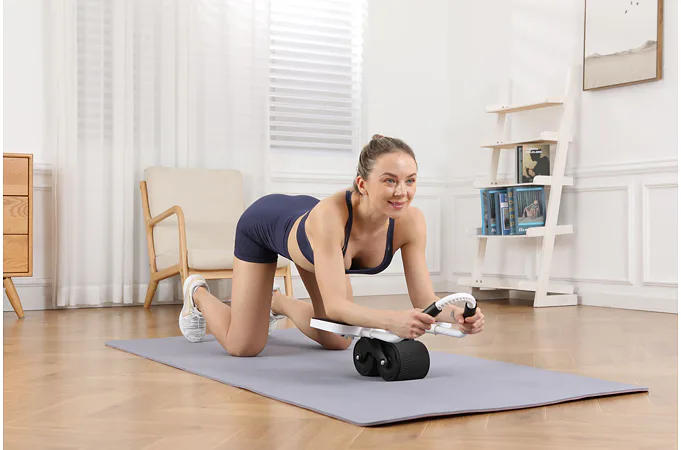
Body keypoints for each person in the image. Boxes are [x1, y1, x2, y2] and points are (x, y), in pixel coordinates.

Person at [179, 134, 485, 356]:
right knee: (244, 346)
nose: (402, 192)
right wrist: (391, 320)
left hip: (313, 239)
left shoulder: (411, 221)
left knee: (338, 340)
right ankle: (198, 293)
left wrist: (455, 316)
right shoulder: (330, 219)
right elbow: (337, 305)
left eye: (410, 180)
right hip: (264, 224)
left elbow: (425, 299)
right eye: (390, 180)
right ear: (363, 184)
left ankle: (276, 302)